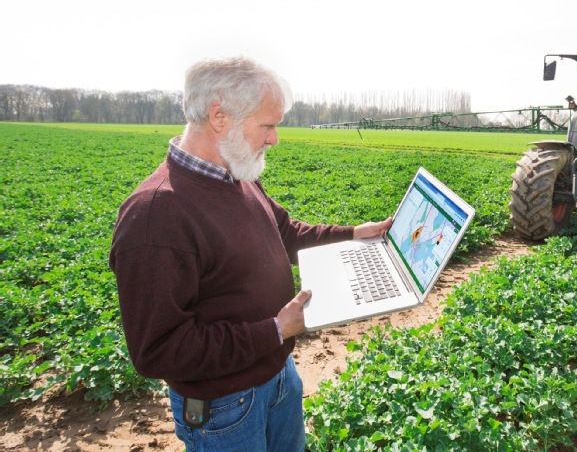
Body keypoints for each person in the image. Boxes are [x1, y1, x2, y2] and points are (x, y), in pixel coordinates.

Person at [109, 56, 391, 451]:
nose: (275, 138)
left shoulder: (236, 177)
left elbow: (285, 233)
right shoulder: (156, 215)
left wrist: (355, 234)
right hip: (224, 409)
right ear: (219, 116)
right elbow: (158, 350)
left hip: (279, 376)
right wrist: (275, 330)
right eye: (268, 125)